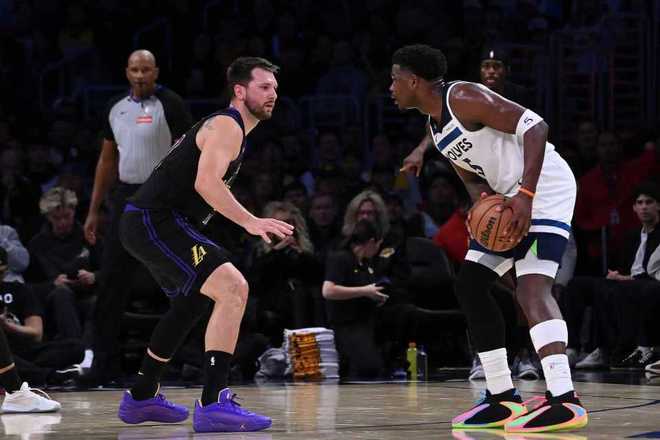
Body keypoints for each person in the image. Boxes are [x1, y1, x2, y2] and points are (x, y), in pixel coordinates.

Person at [394, 44, 587, 432]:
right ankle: (502, 397)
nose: (390, 87)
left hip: (544, 189)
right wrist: (481, 208)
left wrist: (526, 195)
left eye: (395, 79)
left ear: (414, 81)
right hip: (508, 198)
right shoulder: (436, 126)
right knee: (470, 285)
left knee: (531, 289)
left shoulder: (463, 96)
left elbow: (536, 127)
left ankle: (565, 399)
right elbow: (471, 177)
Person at [116, 57, 292, 433]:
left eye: (275, 88)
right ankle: (213, 403)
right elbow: (206, 183)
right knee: (233, 287)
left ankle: (142, 396)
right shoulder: (228, 125)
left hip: (152, 221)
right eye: (264, 87)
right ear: (239, 91)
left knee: (192, 301)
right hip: (155, 221)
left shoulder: (228, 128)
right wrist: (251, 221)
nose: (273, 94)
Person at [82, 49, 193, 386]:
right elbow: (106, 161)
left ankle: (189, 360)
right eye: (135, 70)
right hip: (125, 198)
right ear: (127, 72)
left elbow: (190, 152)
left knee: (179, 278)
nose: (141, 75)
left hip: (162, 197)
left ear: (156, 72)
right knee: (111, 281)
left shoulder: (171, 104)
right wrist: (93, 210)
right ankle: (103, 364)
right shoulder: (115, 107)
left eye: (146, 70)